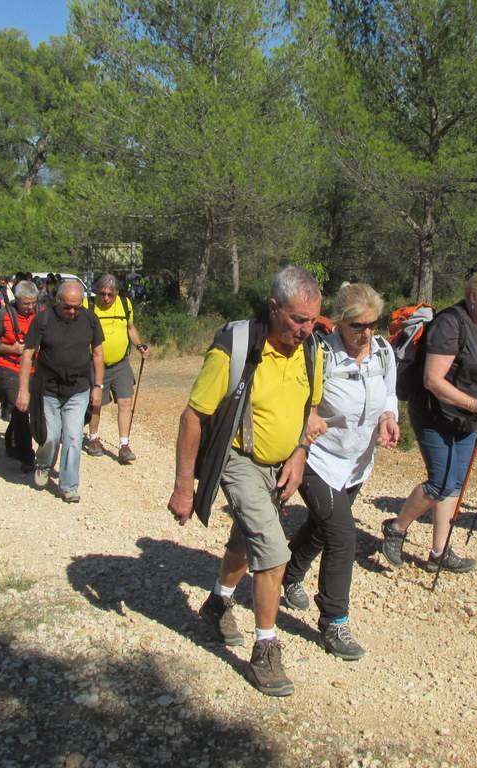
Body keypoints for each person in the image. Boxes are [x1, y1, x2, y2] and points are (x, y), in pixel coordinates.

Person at [167, 265, 325, 697]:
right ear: (273, 308)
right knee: (273, 554)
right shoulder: (235, 349)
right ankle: (265, 650)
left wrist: (299, 453)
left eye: (313, 320)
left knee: (246, 537)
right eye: (298, 319)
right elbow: (193, 416)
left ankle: (218, 602)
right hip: (240, 460)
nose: (307, 329)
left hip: (281, 465)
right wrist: (185, 487)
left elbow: (311, 413)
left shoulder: (312, 350)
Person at [380, 264, 477, 573]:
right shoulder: (449, 324)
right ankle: (396, 529)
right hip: (435, 416)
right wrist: (475, 404)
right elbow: (432, 380)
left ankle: (439, 552)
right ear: (475, 296)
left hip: (467, 419)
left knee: (455, 486)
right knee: (439, 484)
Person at [281, 283, 399, 661]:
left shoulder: (382, 351)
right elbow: (294, 395)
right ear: (340, 324)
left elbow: (390, 394)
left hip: (357, 463)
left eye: (373, 324)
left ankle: (289, 574)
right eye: (358, 326)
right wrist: (310, 416)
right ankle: (334, 621)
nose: (367, 333)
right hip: (318, 459)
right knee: (342, 536)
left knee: (320, 528)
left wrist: (388, 417)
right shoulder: (319, 353)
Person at [16, 280, 104, 503]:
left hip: (78, 388)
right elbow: (27, 355)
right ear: (58, 301)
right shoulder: (43, 320)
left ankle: (69, 486)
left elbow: (98, 354)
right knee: (51, 436)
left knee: (73, 437)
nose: (73, 311)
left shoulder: (90, 319)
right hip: (49, 389)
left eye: (77, 306)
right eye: (68, 307)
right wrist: (23, 390)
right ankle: (44, 464)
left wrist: (98, 386)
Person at [83, 274, 150, 464]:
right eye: (102, 293)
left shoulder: (125, 304)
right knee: (96, 404)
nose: (105, 298)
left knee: (125, 402)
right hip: (96, 364)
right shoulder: (89, 306)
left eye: (110, 294)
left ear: (116, 293)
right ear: (96, 292)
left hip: (121, 363)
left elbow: (130, 328)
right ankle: (94, 439)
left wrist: (139, 346)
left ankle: (124, 444)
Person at [0, 280, 39, 473]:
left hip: (34, 368)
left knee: (28, 410)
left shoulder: (40, 313)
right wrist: (12, 348)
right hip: (9, 367)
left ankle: (11, 439)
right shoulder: (4, 315)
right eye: (26, 303)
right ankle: (27, 456)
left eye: (33, 303)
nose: (30, 307)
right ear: (17, 300)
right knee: (20, 407)